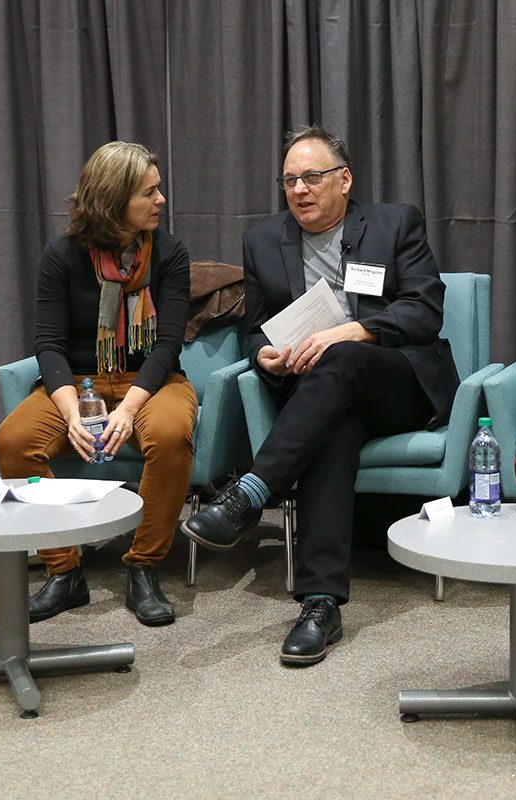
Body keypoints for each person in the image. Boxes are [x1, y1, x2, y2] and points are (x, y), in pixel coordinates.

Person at [180, 126, 459, 666]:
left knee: (342, 358)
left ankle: (251, 492)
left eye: (312, 177)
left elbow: (426, 310)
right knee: (335, 433)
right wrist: (264, 352)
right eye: (289, 180)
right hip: (323, 396)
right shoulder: (264, 240)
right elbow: (257, 327)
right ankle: (320, 603)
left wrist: (353, 332)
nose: (300, 190)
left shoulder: (394, 223)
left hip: (397, 381)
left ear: (345, 180)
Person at [0, 141, 197, 626]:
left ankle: (143, 566)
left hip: (151, 379)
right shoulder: (61, 256)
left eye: (159, 189)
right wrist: (70, 411)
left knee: (169, 436)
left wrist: (127, 409)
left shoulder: (169, 253)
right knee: (14, 442)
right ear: (113, 200)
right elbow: (48, 344)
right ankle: (65, 572)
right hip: (77, 384)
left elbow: (168, 344)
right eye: (149, 192)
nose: (161, 200)